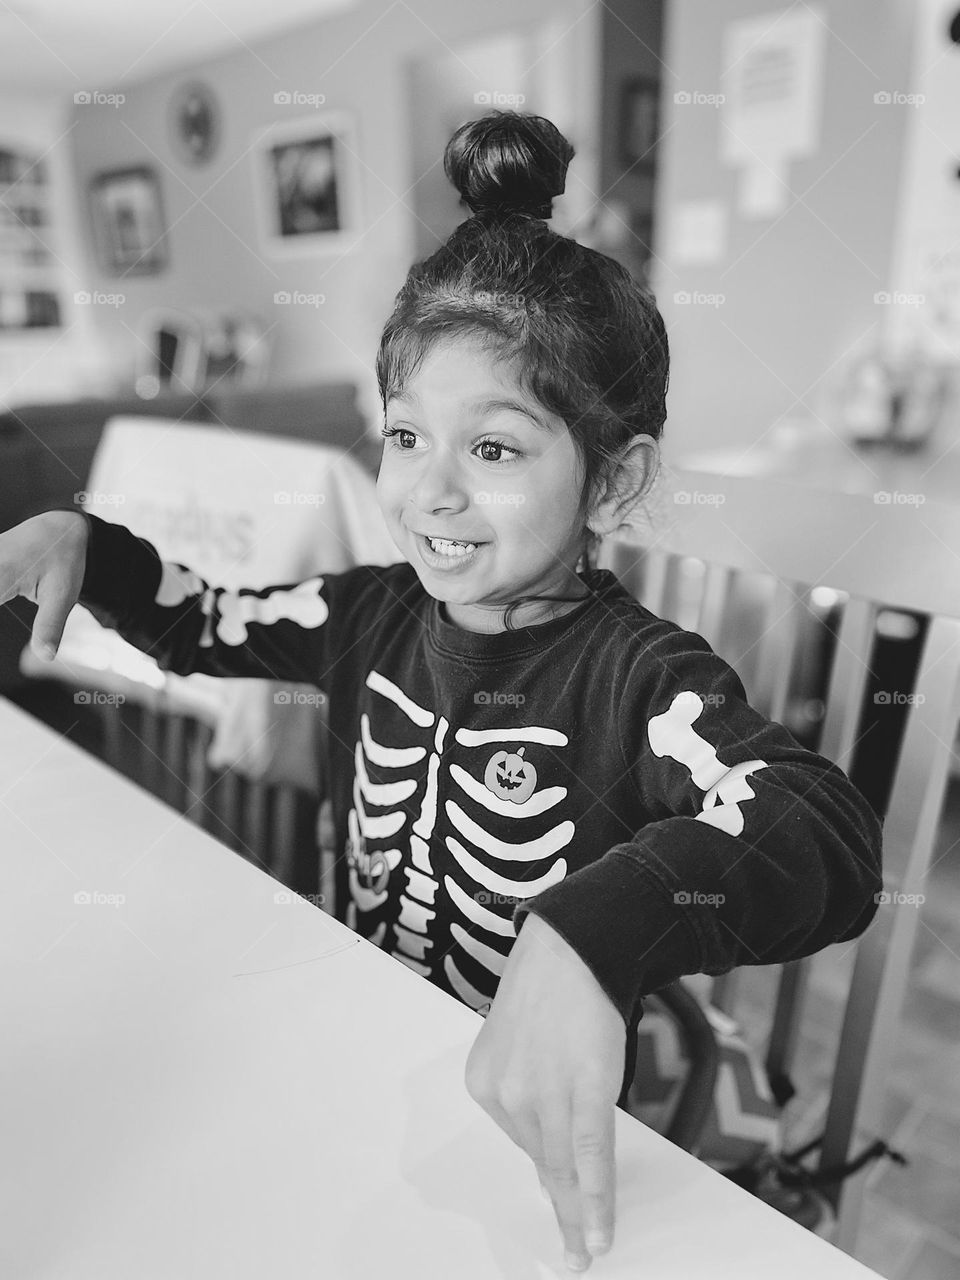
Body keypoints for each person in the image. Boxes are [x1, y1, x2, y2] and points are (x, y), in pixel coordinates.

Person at [0, 111, 883, 1274]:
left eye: (497, 449)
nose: (430, 492)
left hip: (545, 1131)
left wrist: (594, 927)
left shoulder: (641, 678)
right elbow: (203, 618)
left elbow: (823, 829)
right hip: (367, 1066)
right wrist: (93, 545)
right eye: (407, 434)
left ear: (613, 482)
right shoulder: (363, 614)